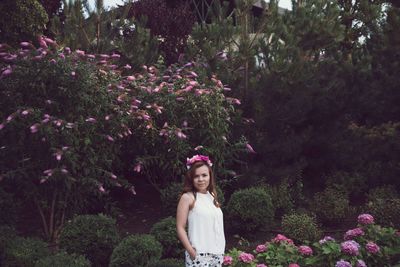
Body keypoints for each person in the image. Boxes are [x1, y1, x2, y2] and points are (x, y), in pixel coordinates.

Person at [176, 155, 225, 267]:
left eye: (204, 175)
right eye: (196, 176)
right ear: (191, 178)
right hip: (199, 254)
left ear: (210, 176)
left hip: (217, 253)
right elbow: (180, 227)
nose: (201, 179)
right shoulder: (188, 197)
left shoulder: (212, 195)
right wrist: (191, 251)